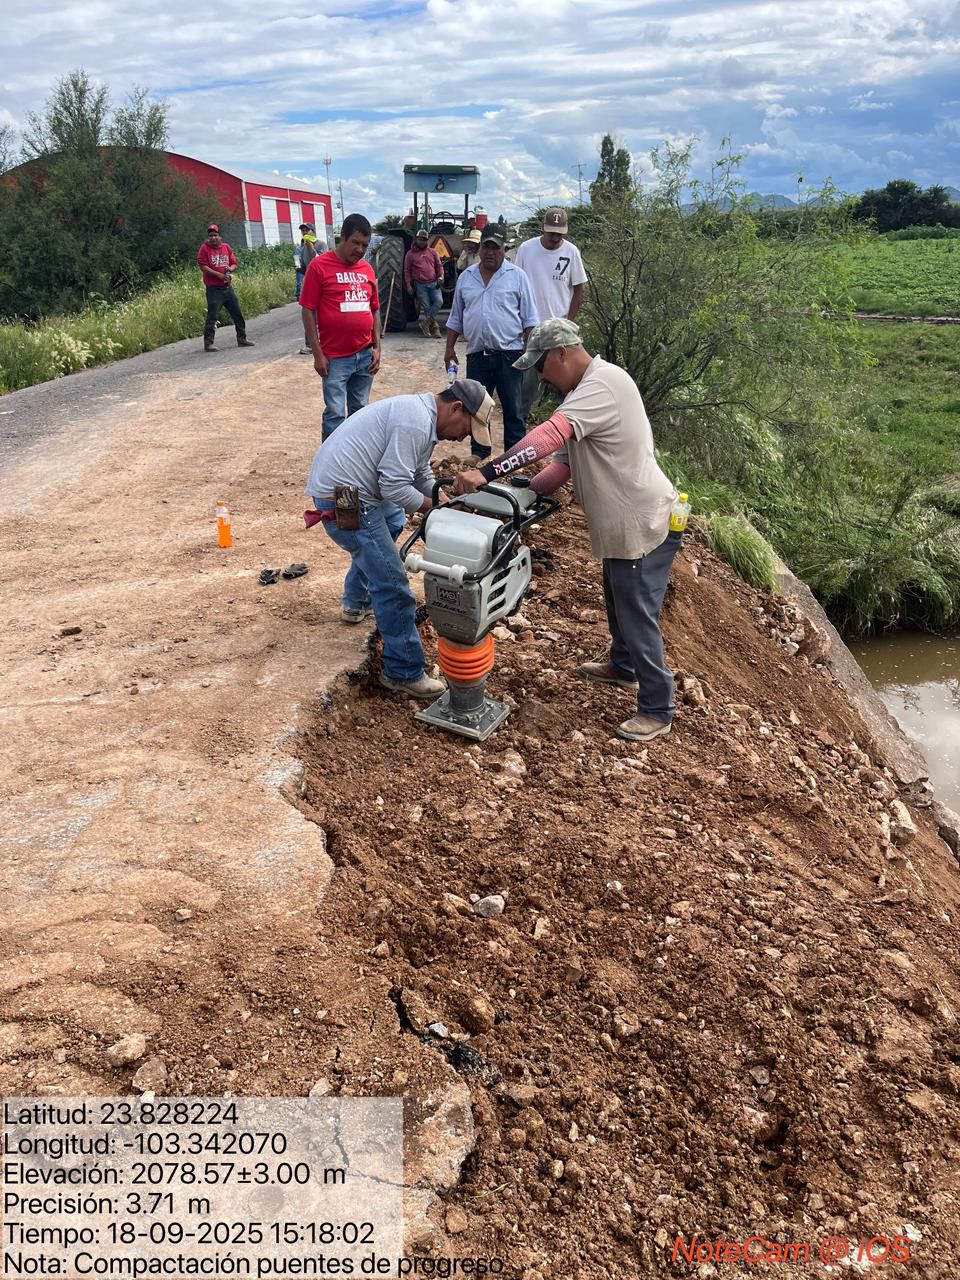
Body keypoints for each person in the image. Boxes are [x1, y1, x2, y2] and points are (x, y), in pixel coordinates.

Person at [452, 318, 680, 744]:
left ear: (562, 352)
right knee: (618, 596)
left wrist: (487, 472)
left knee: (636, 610)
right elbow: (561, 463)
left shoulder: (603, 383)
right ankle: (624, 666)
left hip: (643, 519)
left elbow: (548, 435)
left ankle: (657, 707)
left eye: (541, 366)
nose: (540, 376)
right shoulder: (583, 394)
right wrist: (521, 498)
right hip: (623, 523)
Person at [305, 378, 496, 698]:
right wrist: (432, 507)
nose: (464, 437)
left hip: (347, 490)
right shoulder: (415, 422)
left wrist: (445, 504)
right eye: (467, 428)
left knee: (392, 520)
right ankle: (402, 671)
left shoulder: (422, 415)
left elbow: (419, 474)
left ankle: (356, 602)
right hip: (343, 499)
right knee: (393, 583)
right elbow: (394, 487)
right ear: (456, 408)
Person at [443, 225, 538, 459]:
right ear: (480, 247)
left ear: (504, 249)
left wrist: (530, 352)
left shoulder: (517, 277)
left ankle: (514, 457)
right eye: (486, 247)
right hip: (477, 355)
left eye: (495, 248)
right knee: (476, 408)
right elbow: (456, 317)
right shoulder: (467, 277)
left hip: (510, 355)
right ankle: (479, 454)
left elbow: (529, 319)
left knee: (513, 409)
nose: (490, 253)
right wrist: (449, 349)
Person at [300, 213, 381, 440]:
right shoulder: (319, 266)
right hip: (335, 358)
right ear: (342, 237)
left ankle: (356, 464)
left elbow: (374, 309)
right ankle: (330, 467)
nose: (360, 249)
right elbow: (307, 310)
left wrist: (377, 347)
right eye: (355, 242)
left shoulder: (366, 269)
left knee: (361, 411)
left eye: (364, 245)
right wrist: (318, 354)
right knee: (335, 414)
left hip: (364, 355)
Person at [514, 207, 587, 417]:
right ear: (542, 228)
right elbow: (516, 286)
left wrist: (569, 323)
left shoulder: (571, 252)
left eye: (559, 233)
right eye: (551, 232)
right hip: (531, 329)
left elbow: (578, 289)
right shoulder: (527, 250)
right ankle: (522, 424)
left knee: (565, 385)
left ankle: (566, 427)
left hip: (559, 332)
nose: (555, 237)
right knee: (527, 383)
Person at [197, 224, 255, 353]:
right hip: (213, 288)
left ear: (220, 236)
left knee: (237, 313)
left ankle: (242, 338)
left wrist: (231, 269)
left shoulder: (226, 247)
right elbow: (203, 266)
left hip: (227, 287)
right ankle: (209, 343)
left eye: (215, 235)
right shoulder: (204, 249)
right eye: (210, 236)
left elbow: (234, 263)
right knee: (212, 315)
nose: (213, 238)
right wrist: (218, 275)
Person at [404, 229, 444, 338]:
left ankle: (425, 323)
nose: (422, 241)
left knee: (439, 301)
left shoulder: (433, 252)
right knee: (427, 307)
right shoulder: (410, 254)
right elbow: (407, 271)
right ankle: (435, 329)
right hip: (420, 285)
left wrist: (441, 276)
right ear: (416, 239)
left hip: (433, 283)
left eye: (424, 240)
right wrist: (408, 285)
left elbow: (439, 266)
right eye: (420, 239)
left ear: (427, 241)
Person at [296, 222, 319, 354]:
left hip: (321, 283)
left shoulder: (320, 244)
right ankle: (309, 345)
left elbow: (321, 261)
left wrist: (310, 247)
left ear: (313, 231)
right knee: (308, 312)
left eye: (307, 230)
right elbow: (304, 266)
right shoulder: (301, 248)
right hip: (309, 283)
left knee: (324, 313)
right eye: (303, 231)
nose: (305, 232)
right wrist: (299, 268)